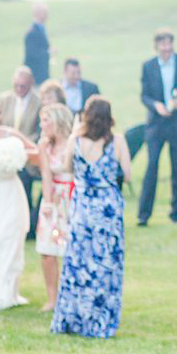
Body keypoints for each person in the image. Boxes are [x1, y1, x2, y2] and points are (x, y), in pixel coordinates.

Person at [51, 98, 131, 338]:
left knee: (79, 263)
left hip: (83, 207)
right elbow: (126, 175)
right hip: (107, 208)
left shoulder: (76, 140)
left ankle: (74, 317)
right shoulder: (117, 141)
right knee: (106, 265)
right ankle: (99, 320)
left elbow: (66, 168)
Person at [138, 30, 177, 226]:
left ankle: (175, 211)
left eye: (169, 43)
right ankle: (144, 214)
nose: (166, 48)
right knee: (152, 166)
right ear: (156, 46)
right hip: (157, 123)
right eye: (162, 44)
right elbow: (144, 94)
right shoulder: (149, 66)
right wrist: (155, 105)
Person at [35, 102, 75, 311]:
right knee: (47, 251)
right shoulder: (44, 145)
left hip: (72, 197)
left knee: (71, 249)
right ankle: (53, 298)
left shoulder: (73, 143)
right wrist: (48, 203)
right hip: (54, 197)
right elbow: (46, 174)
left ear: (57, 121)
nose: (41, 125)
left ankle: (71, 296)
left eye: (45, 120)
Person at [0, 136, 30, 310]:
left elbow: (34, 152)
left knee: (8, 240)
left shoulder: (9, 137)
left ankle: (6, 291)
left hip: (9, 196)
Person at [23, 3, 51, 84]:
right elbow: (31, 54)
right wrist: (47, 52)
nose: (47, 15)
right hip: (36, 75)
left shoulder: (41, 28)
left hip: (42, 73)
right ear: (38, 13)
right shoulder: (32, 31)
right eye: (45, 12)